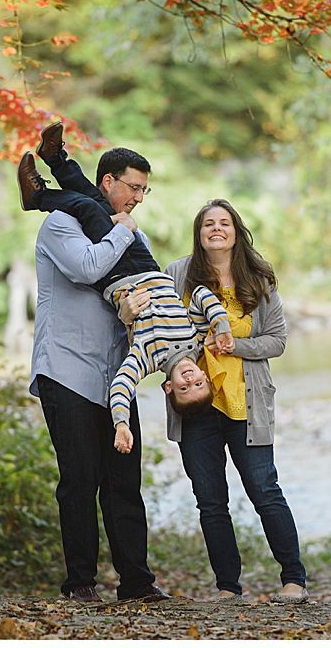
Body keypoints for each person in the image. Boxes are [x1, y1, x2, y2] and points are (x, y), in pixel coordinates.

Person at [16, 122, 168, 603]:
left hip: (114, 376)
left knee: (124, 483)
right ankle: (79, 583)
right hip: (68, 371)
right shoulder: (61, 224)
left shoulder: (101, 218)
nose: (139, 199)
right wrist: (124, 234)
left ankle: (137, 584)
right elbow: (87, 268)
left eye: (145, 190)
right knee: (79, 482)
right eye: (133, 188)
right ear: (110, 183)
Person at [20, 125, 236, 455]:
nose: (190, 378)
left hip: (119, 278)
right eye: (197, 383)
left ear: (169, 387)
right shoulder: (196, 340)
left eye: (184, 387)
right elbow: (200, 297)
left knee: (90, 207)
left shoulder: (149, 357)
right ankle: (56, 159)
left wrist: (121, 423)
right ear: (206, 378)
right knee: (92, 201)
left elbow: (122, 384)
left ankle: (38, 197)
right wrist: (220, 322)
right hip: (148, 268)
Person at [158, 198, 309, 603]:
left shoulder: (259, 278)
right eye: (209, 223)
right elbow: (160, 332)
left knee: (265, 491)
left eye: (224, 222)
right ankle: (228, 587)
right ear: (199, 232)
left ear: (236, 231)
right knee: (210, 502)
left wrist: (235, 345)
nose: (216, 229)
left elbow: (277, 340)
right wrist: (182, 365)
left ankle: (293, 580)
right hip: (196, 408)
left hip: (248, 405)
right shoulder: (177, 274)